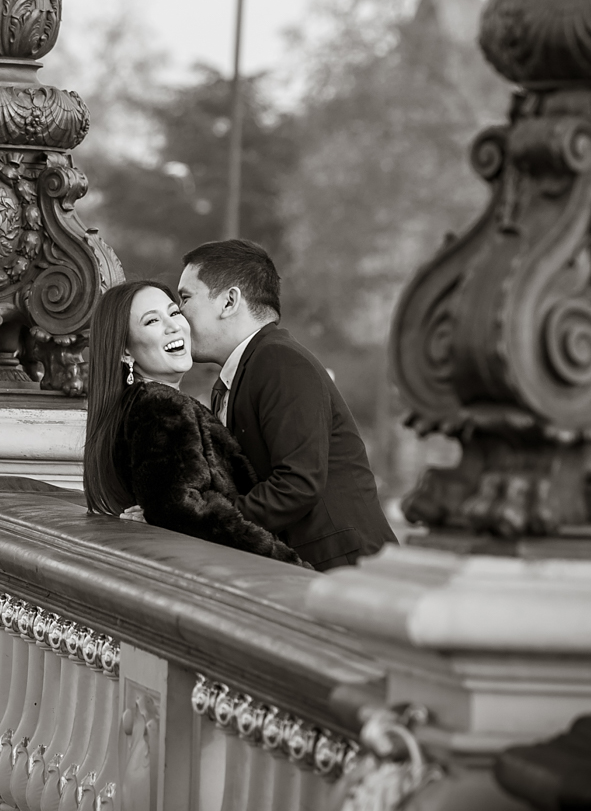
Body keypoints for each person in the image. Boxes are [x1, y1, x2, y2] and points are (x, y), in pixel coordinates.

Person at [175, 239, 396, 570]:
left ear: (229, 301)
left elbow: (297, 485)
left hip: (344, 570)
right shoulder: (245, 371)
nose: (178, 313)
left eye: (185, 298)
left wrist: (204, 520)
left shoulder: (278, 361)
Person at [82, 279, 305, 565]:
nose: (174, 325)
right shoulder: (160, 406)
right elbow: (182, 511)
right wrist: (290, 563)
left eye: (174, 313)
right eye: (152, 321)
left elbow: (171, 507)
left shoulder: (136, 405)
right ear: (125, 351)